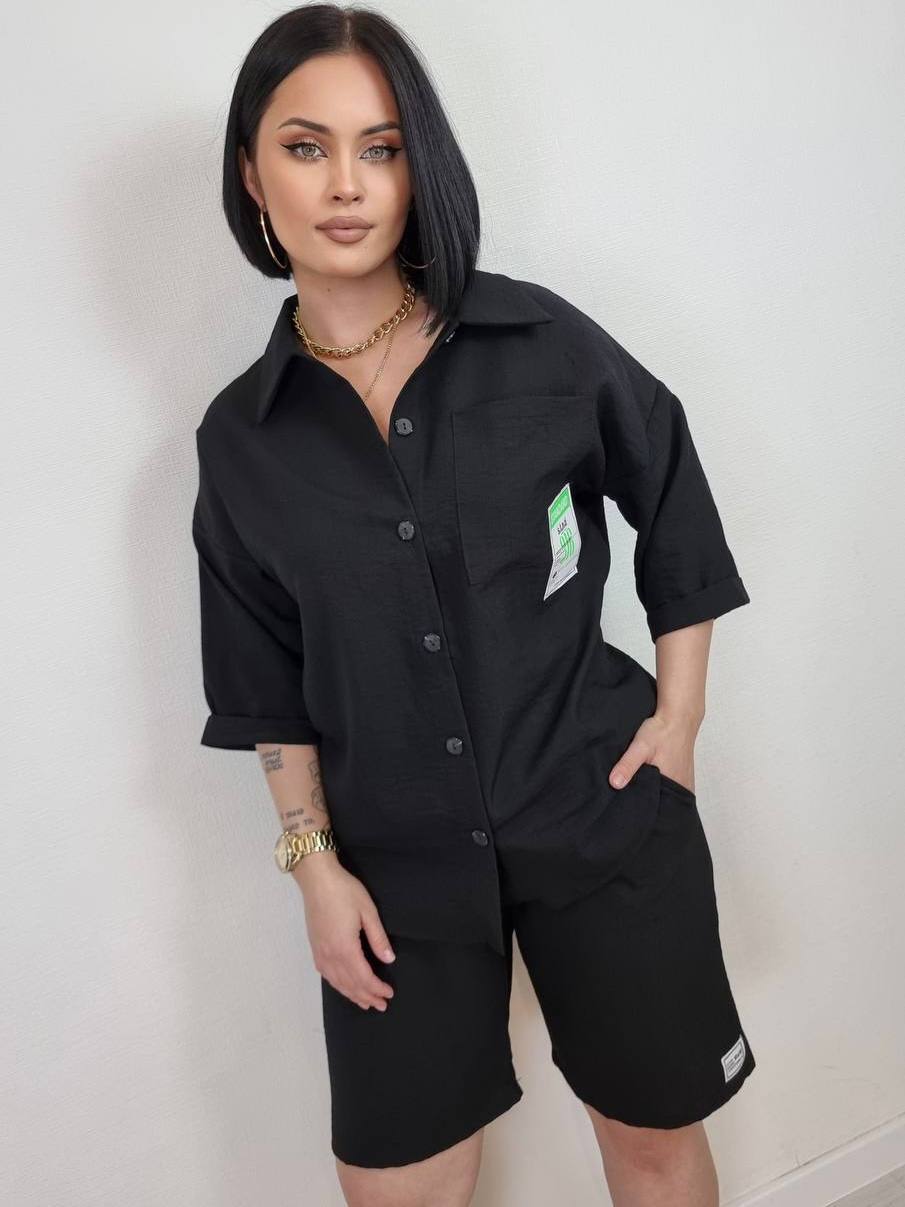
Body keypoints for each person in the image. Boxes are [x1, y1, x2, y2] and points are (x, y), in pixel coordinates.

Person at [191, 5, 757, 1204]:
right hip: (389, 874)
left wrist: (680, 717)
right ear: (250, 172)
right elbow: (263, 683)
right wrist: (312, 866)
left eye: (382, 147)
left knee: (651, 1142)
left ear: (418, 168)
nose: (346, 184)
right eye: (305, 146)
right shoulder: (240, 441)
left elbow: (668, 482)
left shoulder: (535, 341)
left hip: (598, 813)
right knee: (394, 1184)